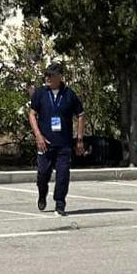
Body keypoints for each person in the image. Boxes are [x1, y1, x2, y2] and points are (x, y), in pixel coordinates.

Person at [28, 62, 84, 217]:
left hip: (64, 144)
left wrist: (79, 139)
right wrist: (38, 135)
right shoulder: (40, 93)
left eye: (51, 75)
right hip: (45, 143)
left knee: (63, 175)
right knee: (42, 175)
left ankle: (60, 204)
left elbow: (80, 115)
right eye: (46, 75)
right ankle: (42, 193)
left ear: (59, 77)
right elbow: (32, 114)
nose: (47, 78)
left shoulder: (69, 94)